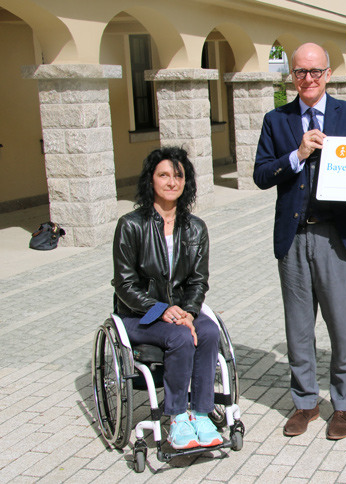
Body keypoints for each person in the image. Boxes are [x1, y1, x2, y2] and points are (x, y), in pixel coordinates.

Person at [253, 42, 346, 440]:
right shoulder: (277, 120)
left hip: (338, 235)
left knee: (343, 326)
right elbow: (261, 174)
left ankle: (342, 405)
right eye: (301, 72)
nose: (308, 79)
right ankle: (305, 402)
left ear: (328, 73)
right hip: (294, 236)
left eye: (316, 72)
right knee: (298, 328)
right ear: (292, 76)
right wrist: (297, 154)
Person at [113, 147, 221, 451]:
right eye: (164, 175)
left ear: (186, 182)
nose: (171, 182)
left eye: (178, 175)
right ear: (151, 180)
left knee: (209, 331)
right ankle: (175, 418)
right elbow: (124, 284)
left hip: (180, 310)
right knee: (180, 338)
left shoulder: (195, 227)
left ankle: (200, 413)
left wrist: (188, 311)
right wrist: (161, 310)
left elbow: (198, 280)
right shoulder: (131, 225)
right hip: (138, 315)